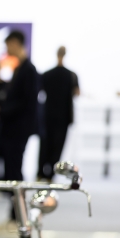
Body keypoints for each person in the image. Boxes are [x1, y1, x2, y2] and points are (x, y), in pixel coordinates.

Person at [0, 30, 40, 220]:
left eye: (8, 45)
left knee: (15, 171)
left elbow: (26, 102)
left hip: (18, 129)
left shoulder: (28, 70)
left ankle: (18, 214)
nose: (7, 49)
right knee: (12, 170)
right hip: (13, 128)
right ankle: (16, 212)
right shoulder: (20, 68)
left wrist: (1, 110)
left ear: (15, 43)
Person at [37, 46, 79, 180]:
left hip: (48, 115)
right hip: (62, 116)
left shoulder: (47, 74)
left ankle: (41, 173)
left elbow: (39, 91)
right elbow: (77, 92)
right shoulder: (71, 75)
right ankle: (50, 174)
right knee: (57, 146)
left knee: (45, 145)